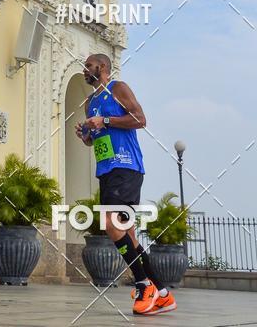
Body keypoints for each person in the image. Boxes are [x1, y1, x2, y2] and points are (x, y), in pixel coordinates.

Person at [76, 53, 177, 316]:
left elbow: (140, 120)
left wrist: (106, 120)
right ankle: (163, 294)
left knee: (112, 223)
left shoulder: (117, 88)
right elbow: (94, 139)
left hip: (127, 166)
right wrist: (86, 134)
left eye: (89, 65)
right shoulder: (90, 103)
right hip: (106, 171)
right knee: (129, 235)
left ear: (104, 67)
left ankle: (144, 285)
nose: (85, 69)